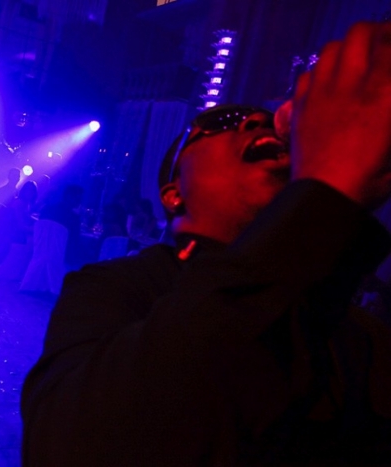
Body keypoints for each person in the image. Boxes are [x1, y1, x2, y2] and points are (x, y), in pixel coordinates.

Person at [21, 22, 391, 466]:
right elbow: (72, 447)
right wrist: (324, 195)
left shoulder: (359, 333)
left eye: (256, 115)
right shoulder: (115, 289)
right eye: (220, 122)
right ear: (174, 193)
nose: (255, 119)